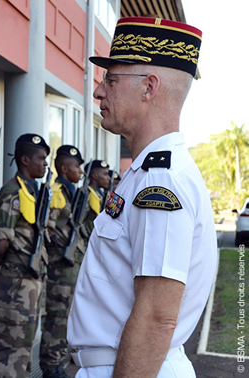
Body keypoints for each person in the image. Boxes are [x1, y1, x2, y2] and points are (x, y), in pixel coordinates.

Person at [67, 17, 217, 378]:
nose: (98, 92)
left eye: (111, 80)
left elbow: (155, 317)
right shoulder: (143, 174)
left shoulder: (160, 182)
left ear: (149, 87)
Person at [0, 133, 50, 378]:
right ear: (25, 160)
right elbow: (2, 240)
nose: (45, 163)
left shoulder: (33, 191)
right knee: (11, 346)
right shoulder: (12, 192)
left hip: (30, 279)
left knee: (24, 346)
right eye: (41, 158)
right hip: (16, 282)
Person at [39, 145, 86, 378]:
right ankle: (50, 365)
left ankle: (59, 359)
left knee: (67, 315)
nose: (80, 171)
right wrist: (62, 245)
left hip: (73, 264)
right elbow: (47, 229)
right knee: (57, 316)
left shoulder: (72, 192)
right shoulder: (56, 192)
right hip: (61, 265)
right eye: (77, 166)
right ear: (64, 168)